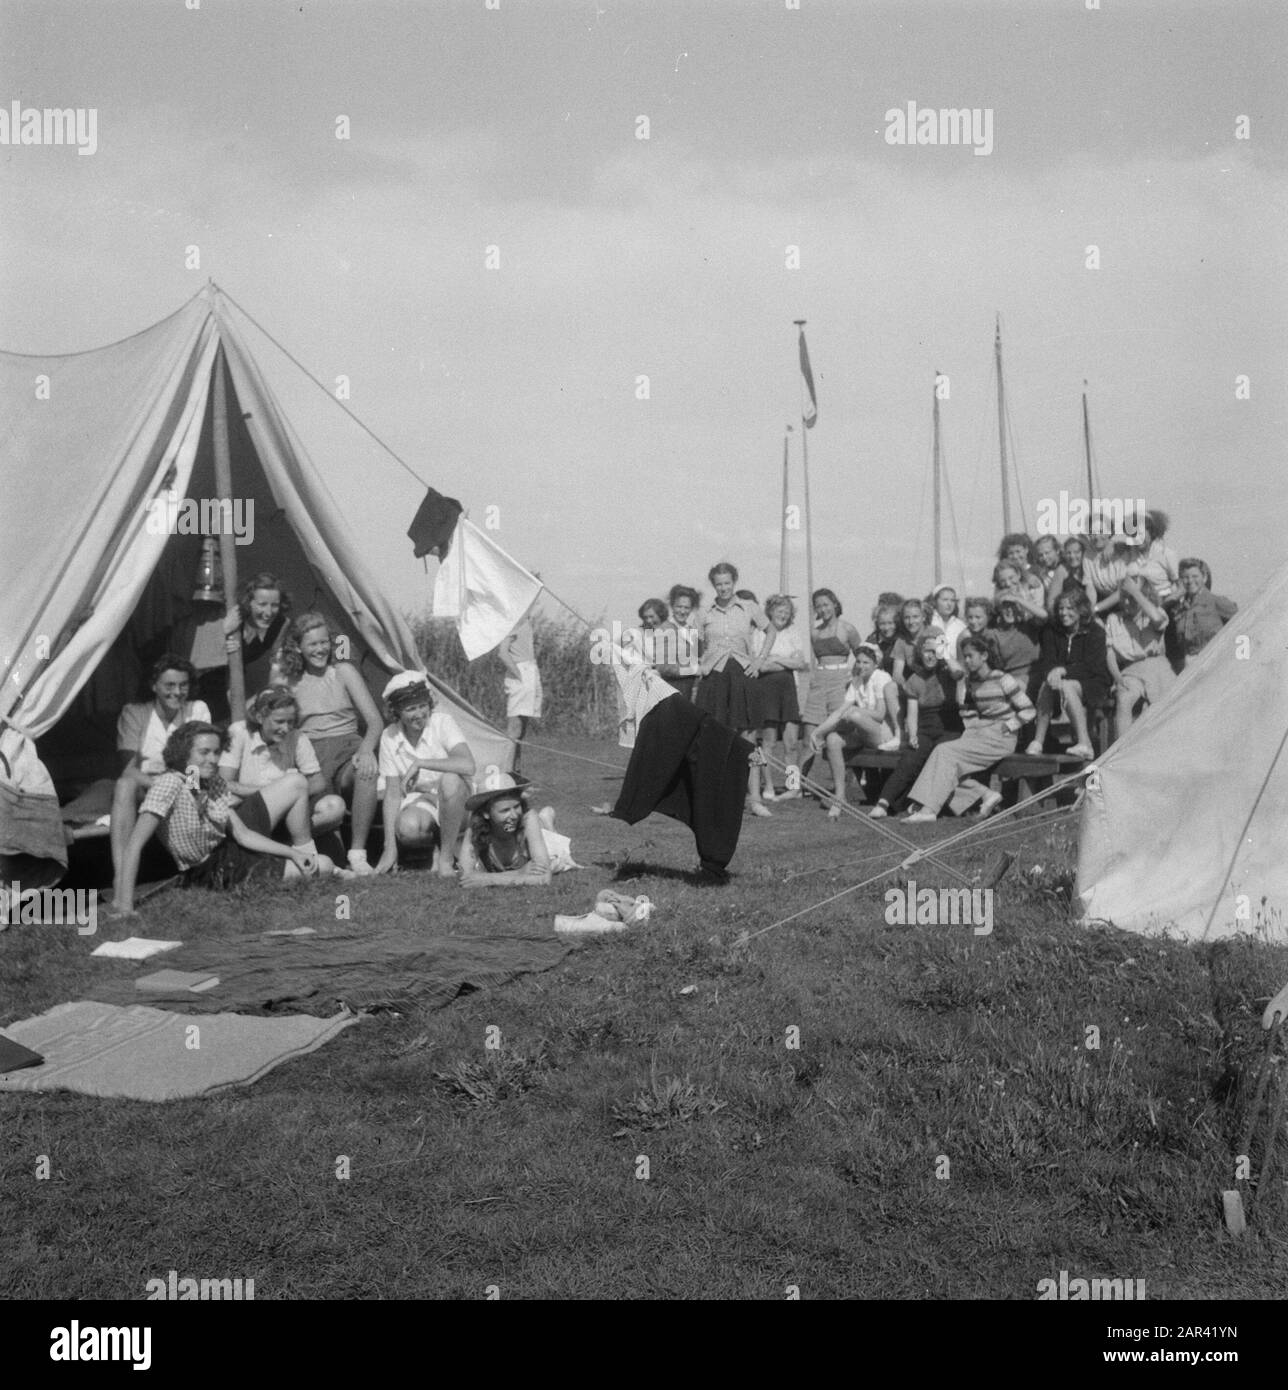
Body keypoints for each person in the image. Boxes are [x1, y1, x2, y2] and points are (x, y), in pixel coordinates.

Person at [111, 721, 337, 916]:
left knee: (320, 863)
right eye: (204, 752)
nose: (213, 759)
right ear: (183, 752)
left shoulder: (210, 782)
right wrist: (125, 906)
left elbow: (244, 834)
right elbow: (134, 845)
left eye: (217, 752)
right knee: (324, 866)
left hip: (230, 853)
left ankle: (302, 859)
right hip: (209, 871)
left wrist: (293, 852)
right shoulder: (168, 784)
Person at [278, 611, 384, 874]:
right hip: (309, 752)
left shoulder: (343, 671)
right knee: (324, 815)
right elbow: (274, 719)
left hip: (347, 747)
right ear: (299, 647)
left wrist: (366, 749)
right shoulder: (290, 680)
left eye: (324, 642)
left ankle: (358, 853)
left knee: (367, 772)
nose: (320, 649)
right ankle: (290, 844)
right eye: (312, 644)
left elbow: (375, 721)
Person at [903, 637, 1035, 822]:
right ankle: (982, 794)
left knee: (946, 752)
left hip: (1002, 737)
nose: (966, 660)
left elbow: (1029, 710)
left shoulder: (1003, 679)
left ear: (984, 656)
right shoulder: (972, 680)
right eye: (964, 657)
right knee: (941, 752)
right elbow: (970, 710)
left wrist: (1007, 726)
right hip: (981, 732)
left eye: (970, 656)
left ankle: (929, 809)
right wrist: (974, 728)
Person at [110, 655, 211, 891]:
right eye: (169, 685)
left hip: (187, 786)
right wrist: (161, 786)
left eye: (183, 685)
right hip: (147, 787)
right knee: (124, 785)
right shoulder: (135, 713)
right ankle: (121, 876)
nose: (177, 692)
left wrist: (187, 788)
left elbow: (200, 764)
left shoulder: (197, 709)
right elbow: (128, 770)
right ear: (154, 686)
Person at [374, 672, 475, 876]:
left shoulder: (442, 722)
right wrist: (389, 848)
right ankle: (433, 849)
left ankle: (446, 859)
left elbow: (468, 765)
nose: (419, 714)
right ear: (397, 712)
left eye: (423, 706)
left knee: (450, 779)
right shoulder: (389, 736)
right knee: (410, 828)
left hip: (457, 802)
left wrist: (421, 763)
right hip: (423, 803)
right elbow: (393, 794)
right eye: (411, 709)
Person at [694, 562, 771, 816]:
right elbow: (693, 644)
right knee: (716, 739)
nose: (724, 588)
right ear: (713, 585)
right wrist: (699, 665)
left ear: (734, 582)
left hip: (742, 676)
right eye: (719, 584)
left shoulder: (749, 607)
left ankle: (755, 799)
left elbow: (771, 631)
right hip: (714, 679)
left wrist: (759, 661)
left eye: (727, 583)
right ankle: (719, 798)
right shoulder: (704, 612)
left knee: (747, 739)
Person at [218, 688, 346, 836]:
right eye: (279, 722)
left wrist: (288, 797)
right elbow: (223, 782)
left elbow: (318, 782)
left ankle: (288, 836)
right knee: (227, 803)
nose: (285, 728)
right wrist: (275, 792)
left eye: (290, 722)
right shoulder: (239, 731)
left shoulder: (297, 737)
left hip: (289, 810)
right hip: (250, 805)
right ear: (260, 717)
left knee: (334, 806)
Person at [869, 631, 964, 818]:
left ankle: (923, 803)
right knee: (911, 758)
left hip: (949, 726)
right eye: (925, 651)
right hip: (925, 728)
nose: (930, 655)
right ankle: (883, 802)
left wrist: (943, 652)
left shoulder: (947, 673)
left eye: (933, 651)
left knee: (939, 756)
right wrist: (912, 735)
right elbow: (912, 714)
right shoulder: (914, 680)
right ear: (919, 653)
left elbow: (959, 672)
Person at [809, 643, 901, 819]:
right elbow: (838, 711)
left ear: (875, 664)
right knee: (833, 739)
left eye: (866, 662)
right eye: (858, 662)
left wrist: (854, 713)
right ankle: (840, 796)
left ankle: (841, 797)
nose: (861, 666)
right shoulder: (856, 681)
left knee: (854, 715)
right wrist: (817, 732)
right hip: (864, 734)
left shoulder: (881, 677)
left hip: (882, 734)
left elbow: (880, 715)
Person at [799, 587, 863, 804]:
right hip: (818, 685)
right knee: (807, 738)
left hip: (840, 686)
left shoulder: (848, 629)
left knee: (833, 737)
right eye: (818, 606)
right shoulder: (814, 632)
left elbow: (863, 657)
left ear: (835, 604)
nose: (823, 609)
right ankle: (793, 785)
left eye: (826, 604)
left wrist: (853, 681)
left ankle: (840, 790)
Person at [1027, 590, 1109, 758]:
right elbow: (1048, 660)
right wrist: (1052, 673)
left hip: (1093, 682)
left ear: (1081, 610)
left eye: (1070, 608)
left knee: (1066, 685)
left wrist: (1063, 671)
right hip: (1062, 680)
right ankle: (1038, 741)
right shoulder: (1052, 631)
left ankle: (1085, 743)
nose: (1064, 613)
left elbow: (1092, 666)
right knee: (1047, 685)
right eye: (1061, 608)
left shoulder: (1095, 631)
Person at [458, 773, 573, 888]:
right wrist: (519, 873)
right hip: (522, 859)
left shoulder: (527, 818)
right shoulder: (476, 826)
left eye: (517, 806)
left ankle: (546, 822)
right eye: (505, 810)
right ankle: (544, 820)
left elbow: (544, 878)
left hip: (543, 844)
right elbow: (464, 875)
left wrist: (487, 879)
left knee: (558, 856)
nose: (513, 815)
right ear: (486, 813)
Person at [1104, 575, 1175, 740]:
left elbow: (1157, 619)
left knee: (1163, 707)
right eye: (1124, 598)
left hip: (1157, 667)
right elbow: (1110, 654)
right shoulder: (1113, 619)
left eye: (1132, 598)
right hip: (1131, 670)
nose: (1127, 602)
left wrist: (1135, 592)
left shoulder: (1155, 613)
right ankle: (1121, 752)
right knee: (1124, 698)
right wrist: (1117, 677)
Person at [752, 595, 807, 802]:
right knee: (768, 742)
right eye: (779, 611)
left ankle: (792, 786)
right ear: (770, 612)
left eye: (786, 611)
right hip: (766, 690)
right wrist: (786, 661)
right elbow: (761, 665)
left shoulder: (793, 632)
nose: (783, 615)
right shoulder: (760, 633)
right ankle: (767, 786)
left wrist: (775, 658)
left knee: (791, 743)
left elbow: (801, 663)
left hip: (789, 691)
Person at [222, 572, 291, 697]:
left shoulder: (280, 623)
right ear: (248, 602)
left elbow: (276, 662)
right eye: (262, 604)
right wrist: (224, 629)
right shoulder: (233, 617)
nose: (268, 613)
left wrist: (271, 694)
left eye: (274, 605)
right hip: (211, 674)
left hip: (237, 678)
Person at [1170, 558, 1237, 666]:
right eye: (1185, 577)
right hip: (1189, 668)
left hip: (1215, 664)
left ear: (1204, 578)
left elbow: (1243, 622)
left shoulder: (1216, 601)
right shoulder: (1179, 611)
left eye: (1195, 576)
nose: (1190, 581)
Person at [499, 617, 542, 777]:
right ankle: (506, 775)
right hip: (522, 671)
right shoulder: (513, 620)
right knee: (514, 729)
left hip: (531, 669)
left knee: (521, 730)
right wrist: (519, 675)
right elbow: (502, 653)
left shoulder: (526, 619)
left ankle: (516, 774)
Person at [990, 595, 1042, 695]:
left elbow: (1043, 615)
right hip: (1010, 679)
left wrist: (1017, 598)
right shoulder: (994, 633)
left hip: (1034, 676)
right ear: (999, 610)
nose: (1010, 611)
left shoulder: (1029, 625)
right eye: (1005, 607)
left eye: (1014, 606)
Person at [658, 585, 702, 699]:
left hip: (691, 688)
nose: (682, 611)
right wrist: (693, 670)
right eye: (679, 607)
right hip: (671, 688)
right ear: (672, 606)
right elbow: (664, 667)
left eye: (687, 608)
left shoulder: (692, 630)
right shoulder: (664, 629)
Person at [992, 559, 1047, 625]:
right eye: (1002, 581)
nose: (1008, 584)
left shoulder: (1032, 588)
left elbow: (1043, 615)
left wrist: (1018, 599)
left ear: (1018, 574)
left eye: (1011, 578)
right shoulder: (1001, 596)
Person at [891, 597, 930, 690]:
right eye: (907, 618)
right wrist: (907, 688)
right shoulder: (901, 641)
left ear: (923, 617)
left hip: (936, 684)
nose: (911, 622)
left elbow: (944, 662)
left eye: (915, 617)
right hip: (916, 685)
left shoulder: (936, 632)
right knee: (890, 688)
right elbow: (897, 674)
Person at [928, 584, 967, 658]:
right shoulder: (928, 621)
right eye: (945, 600)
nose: (949, 604)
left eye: (952, 600)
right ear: (935, 601)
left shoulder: (961, 626)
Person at [1032, 535, 1068, 610]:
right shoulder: (1042, 571)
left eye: (1047, 553)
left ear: (1057, 550)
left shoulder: (1066, 567)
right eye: (1040, 555)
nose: (1044, 557)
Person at [866, 602, 901, 675]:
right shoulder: (872, 641)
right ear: (877, 624)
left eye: (890, 623)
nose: (886, 628)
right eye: (882, 624)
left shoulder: (902, 639)